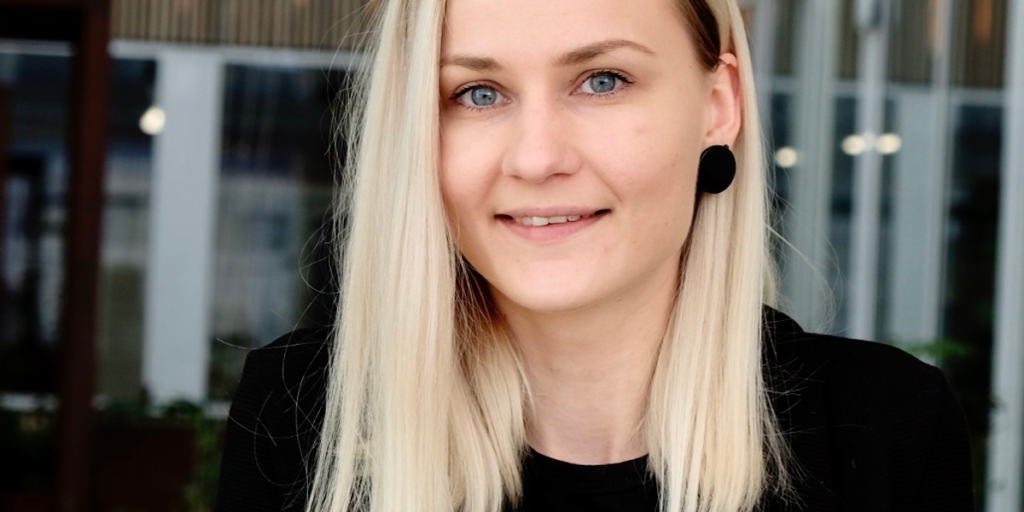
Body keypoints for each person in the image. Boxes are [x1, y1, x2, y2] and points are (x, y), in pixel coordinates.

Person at [215, 0, 975, 510]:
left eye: (602, 80)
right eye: (478, 93)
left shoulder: (884, 429)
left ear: (719, 105)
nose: (538, 157)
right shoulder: (306, 414)